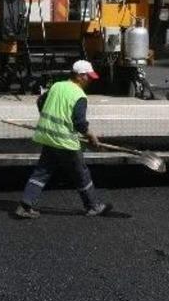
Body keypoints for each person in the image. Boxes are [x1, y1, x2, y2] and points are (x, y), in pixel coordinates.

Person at [15, 60, 112, 219]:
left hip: (48, 137)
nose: (90, 80)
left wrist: (48, 119)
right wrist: (92, 136)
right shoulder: (79, 95)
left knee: (42, 172)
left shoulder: (57, 86)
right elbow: (80, 123)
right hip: (65, 142)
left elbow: (40, 101)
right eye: (88, 77)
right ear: (80, 76)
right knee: (81, 173)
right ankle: (93, 206)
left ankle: (24, 205)